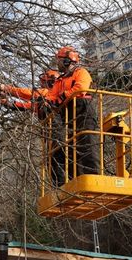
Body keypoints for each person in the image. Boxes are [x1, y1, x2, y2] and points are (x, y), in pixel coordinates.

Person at [48, 46, 98, 177]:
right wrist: (45, 101)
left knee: (87, 145)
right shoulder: (60, 80)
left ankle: (92, 177)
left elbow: (80, 88)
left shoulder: (81, 72)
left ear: (66, 61)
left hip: (84, 112)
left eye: (59, 60)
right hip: (69, 117)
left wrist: (62, 97)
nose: (57, 64)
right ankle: (74, 179)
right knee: (70, 151)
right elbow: (52, 96)